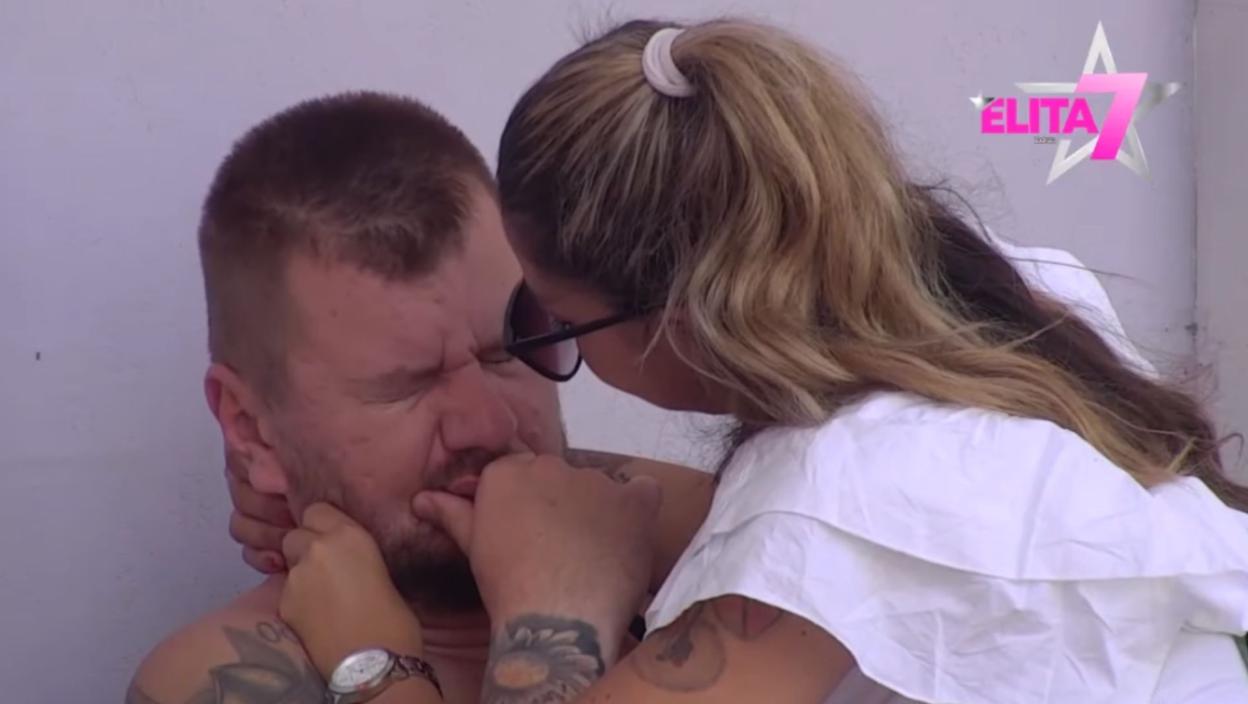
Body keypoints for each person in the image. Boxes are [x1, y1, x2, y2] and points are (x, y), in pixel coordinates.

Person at [244, 18, 1248, 704]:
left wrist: (384, 656)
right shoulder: (1018, 301)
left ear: (679, 321)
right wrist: (485, 492)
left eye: (550, 325)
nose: (536, 346)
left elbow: (811, 521)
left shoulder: (803, 552)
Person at [126, 91, 710, 704]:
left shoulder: (707, 574)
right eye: (407, 387)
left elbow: (776, 506)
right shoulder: (219, 678)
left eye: (507, 351)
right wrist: (556, 618)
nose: (487, 424)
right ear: (250, 428)